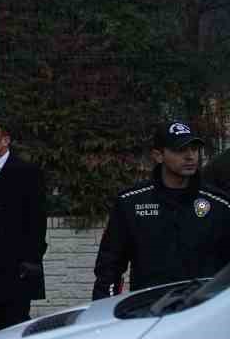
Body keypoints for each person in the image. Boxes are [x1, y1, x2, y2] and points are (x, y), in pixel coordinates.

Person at [93, 122, 230, 298]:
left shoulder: (220, 205)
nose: (190, 156)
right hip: (147, 309)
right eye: (180, 150)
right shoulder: (131, 203)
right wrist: (105, 308)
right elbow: (109, 267)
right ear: (158, 156)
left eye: (194, 149)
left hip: (202, 310)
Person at [0, 117, 48, 332]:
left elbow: (36, 221)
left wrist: (29, 262)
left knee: (11, 331)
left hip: (14, 272)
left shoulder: (27, 173)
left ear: (5, 140)